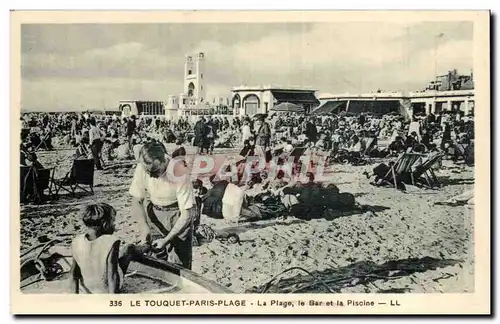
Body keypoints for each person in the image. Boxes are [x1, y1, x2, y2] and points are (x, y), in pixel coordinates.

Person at [129, 141, 196, 269]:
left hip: (177, 215)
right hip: (154, 212)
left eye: (155, 171)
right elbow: (136, 200)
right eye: (147, 171)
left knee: (179, 264)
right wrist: (144, 227)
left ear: (164, 160)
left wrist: (166, 240)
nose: (150, 175)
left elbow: (187, 214)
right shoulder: (143, 167)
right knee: (155, 262)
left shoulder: (179, 172)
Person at [69, 203, 139, 294]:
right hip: (105, 290)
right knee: (129, 249)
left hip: (87, 289)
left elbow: (73, 275)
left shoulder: (76, 241)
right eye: (113, 221)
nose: (114, 225)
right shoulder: (111, 241)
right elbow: (112, 275)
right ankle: (146, 248)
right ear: (106, 224)